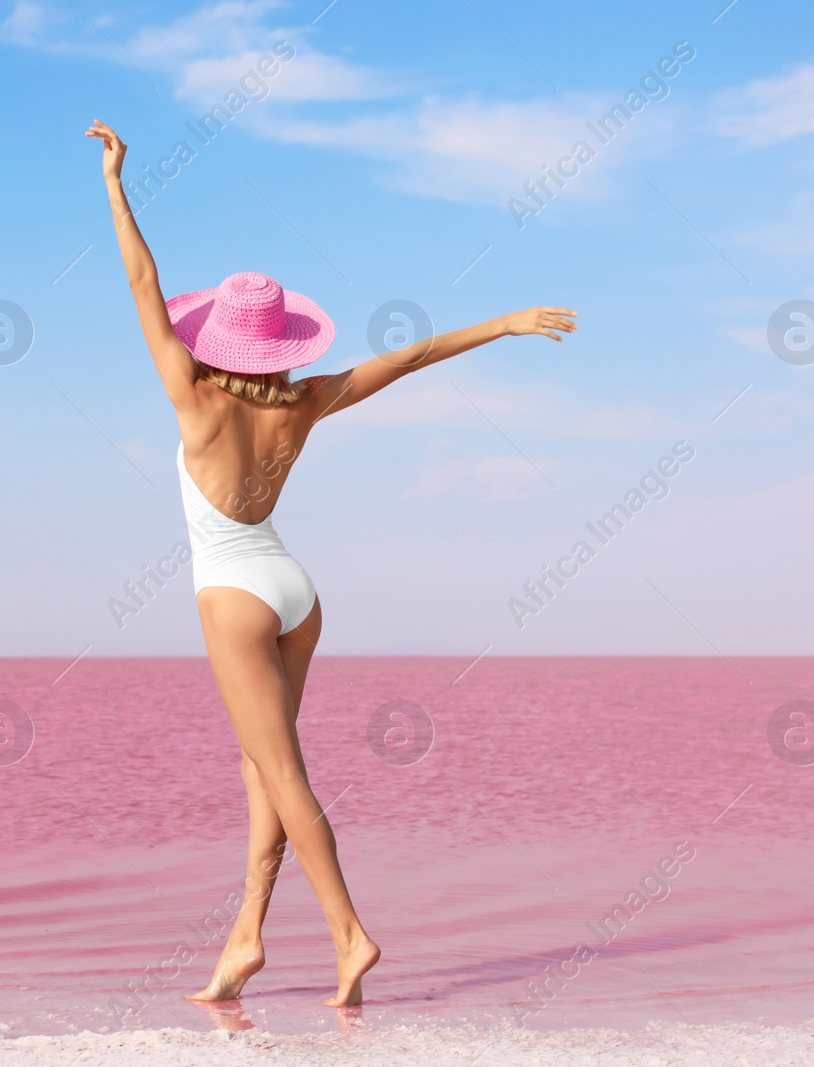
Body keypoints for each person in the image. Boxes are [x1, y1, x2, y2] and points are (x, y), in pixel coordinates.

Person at [86, 119, 576, 1007]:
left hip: (234, 593)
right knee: (260, 765)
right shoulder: (307, 399)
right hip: (295, 591)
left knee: (280, 772)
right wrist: (503, 322)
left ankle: (351, 935)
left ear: (216, 343)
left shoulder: (189, 396)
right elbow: (412, 356)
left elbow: (141, 279)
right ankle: (245, 937)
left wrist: (117, 183)